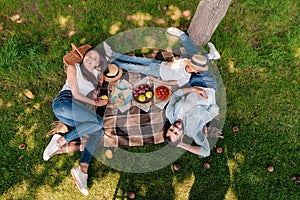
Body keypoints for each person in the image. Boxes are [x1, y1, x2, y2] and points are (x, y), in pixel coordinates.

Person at [42, 46, 108, 196]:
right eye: (89, 55)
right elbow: (76, 94)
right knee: (98, 123)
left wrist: (96, 96)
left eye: (95, 58)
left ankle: (83, 169)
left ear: (98, 64)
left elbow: (94, 92)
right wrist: (96, 104)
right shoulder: (73, 68)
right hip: (64, 103)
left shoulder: (96, 75)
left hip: (74, 112)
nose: (90, 59)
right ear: (84, 56)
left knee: (98, 131)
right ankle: (60, 141)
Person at [103, 27, 220, 88]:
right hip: (158, 64)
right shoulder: (184, 62)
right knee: (135, 59)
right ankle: (113, 54)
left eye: (195, 69)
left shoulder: (186, 78)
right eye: (192, 64)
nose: (192, 68)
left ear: (196, 71)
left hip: (157, 72)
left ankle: (113, 62)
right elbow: (169, 64)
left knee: (133, 66)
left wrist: (156, 80)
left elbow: (172, 84)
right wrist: (179, 62)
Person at [163, 86, 219, 157]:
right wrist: (181, 145)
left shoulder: (169, 113)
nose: (175, 128)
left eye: (171, 129)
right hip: (209, 89)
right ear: (181, 137)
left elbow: (175, 95)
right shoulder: (193, 131)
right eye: (176, 133)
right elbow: (206, 152)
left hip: (193, 84)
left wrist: (193, 89)